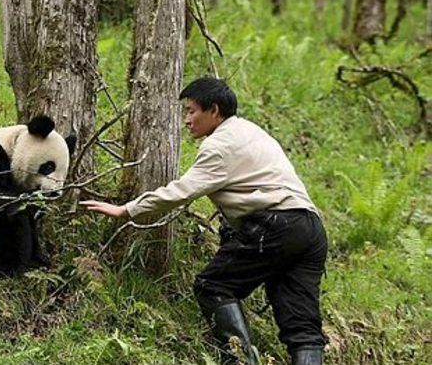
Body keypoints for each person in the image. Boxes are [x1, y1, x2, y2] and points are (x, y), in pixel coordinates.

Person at [81, 77, 327, 365]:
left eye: (192, 111)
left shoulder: (220, 146)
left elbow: (182, 191)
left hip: (276, 226)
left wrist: (127, 209)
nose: (187, 120)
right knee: (302, 326)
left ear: (214, 111)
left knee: (213, 286)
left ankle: (239, 361)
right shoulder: (251, 131)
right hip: (310, 229)